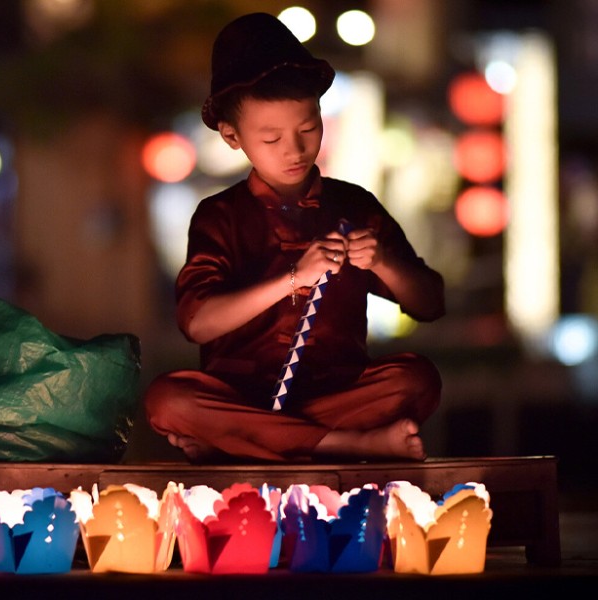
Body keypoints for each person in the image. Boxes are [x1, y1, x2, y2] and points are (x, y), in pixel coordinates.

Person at [144, 12, 445, 464]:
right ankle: (343, 446)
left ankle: (245, 442)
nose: (295, 149)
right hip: (241, 397)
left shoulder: (352, 206)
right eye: (271, 138)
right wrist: (292, 278)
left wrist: (382, 261)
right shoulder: (220, 215)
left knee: (417, 379)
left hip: (334, 396)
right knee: (167, 400)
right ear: (231, 136)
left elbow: (430, 303)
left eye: (308, 130)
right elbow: (197, 322)